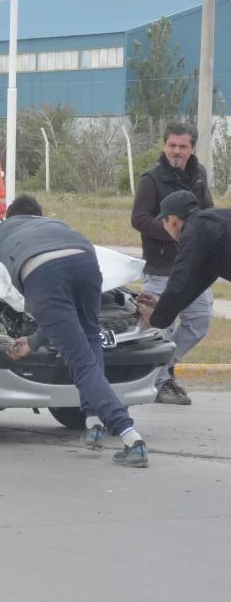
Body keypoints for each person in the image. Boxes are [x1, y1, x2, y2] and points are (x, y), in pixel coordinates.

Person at [0, 195, 149, 468]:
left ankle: (130, 437)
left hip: (43, 273)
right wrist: (35, 340)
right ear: (38, 215)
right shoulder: (57, 225)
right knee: (89, 340)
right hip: (86, 264)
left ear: (9, 217)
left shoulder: (2, 230)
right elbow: (61, 319)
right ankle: (94, 423)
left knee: (80, 361)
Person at [131, 122, 214, 405]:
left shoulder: (199, 175)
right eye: (172, 146)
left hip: (197, 265)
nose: (176, 152)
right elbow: (138, 219)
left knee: (199, 321)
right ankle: (161, 383)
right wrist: (174, 232)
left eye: (183, 147)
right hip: (162, 267)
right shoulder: (151, 179)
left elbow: (208, 210)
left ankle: (162, 369)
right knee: (160, 326)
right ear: (164, 146)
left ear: (192, 149)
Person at [138, 190, 231, 332]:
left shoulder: (194, 233)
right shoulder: (211, 222)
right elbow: (198, 280)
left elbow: (179, 281)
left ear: (173, 220)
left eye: (164, 222)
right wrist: (162, 309)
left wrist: (156, 320)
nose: (165, 228)